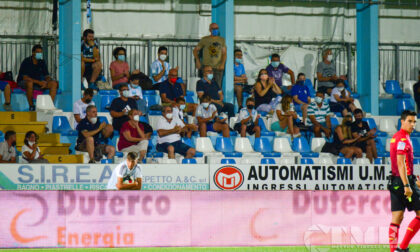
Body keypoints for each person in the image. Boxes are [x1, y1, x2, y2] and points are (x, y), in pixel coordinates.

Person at [387, 110, 418, 252]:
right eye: (410, 121)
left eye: (415, 122)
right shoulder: (403, 139)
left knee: (397, 216)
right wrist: (407, 184)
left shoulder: (397, 137)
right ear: (402, 121)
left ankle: (394, 251)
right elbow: (401, 163)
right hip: (403, 181)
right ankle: (403, 247)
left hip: (395, 181)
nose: (413, 124)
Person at [17, 44, 58, 111]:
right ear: (33, 53)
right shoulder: (26, 61)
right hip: (25, 82)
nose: (39, 54)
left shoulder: (42, 62)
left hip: (38, 83)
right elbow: (25, 77)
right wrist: (39, 82)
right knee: (30, 83)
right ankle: (31, 106)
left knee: (54, 83)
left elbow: (46, 75)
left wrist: (46, 82)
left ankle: (50, 106)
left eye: (40, 52)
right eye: (37, 52)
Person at [193, 23, 227, 88]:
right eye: (213, 29)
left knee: (217, 87)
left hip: (217, 68)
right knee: (205, 86)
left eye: (216, 28)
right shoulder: (204, 39)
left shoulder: (222, 40)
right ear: (210, 30)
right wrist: (197, 61)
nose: (215, 30)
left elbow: (224, 53)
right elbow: (195, 50)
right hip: (206, 67)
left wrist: (222, 64)